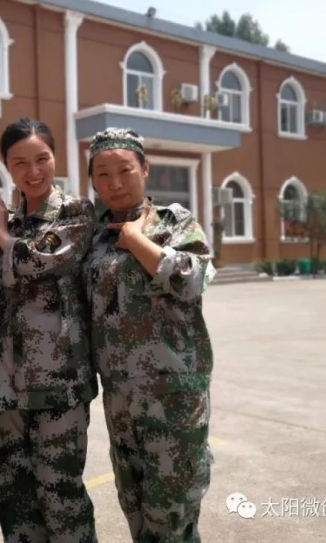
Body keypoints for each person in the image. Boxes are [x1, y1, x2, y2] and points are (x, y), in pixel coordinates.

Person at [83, 127, 215, 543]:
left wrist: (138, 241)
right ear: (92, 181)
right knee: (136, 510)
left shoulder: (174, 222)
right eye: (103, 174)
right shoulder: (94, 236)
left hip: (173, 399)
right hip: (120, 401)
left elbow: (194, 280)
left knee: (172, 517)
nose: (115, 183)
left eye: (125, 170)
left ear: (144, 168)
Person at [0, 117, 99, 543]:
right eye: (19, 163)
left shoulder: (75, 213)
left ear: (55, 158)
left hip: (59, 384)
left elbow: (37, 262)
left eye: (42, 159)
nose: (33, 171)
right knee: (14, 499)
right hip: (6, 385)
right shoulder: (6, 220)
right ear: (7, 167)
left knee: (61, 496)